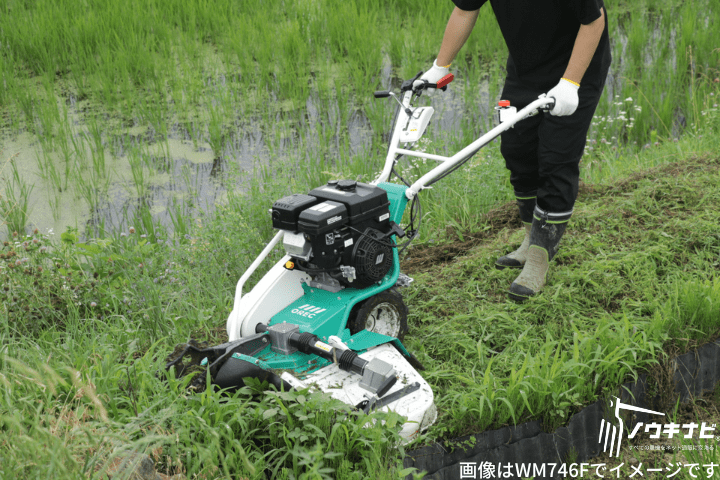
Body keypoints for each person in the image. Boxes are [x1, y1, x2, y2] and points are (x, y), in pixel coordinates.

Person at [417, 0, 611, 302]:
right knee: (516, 150)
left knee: (556, 158)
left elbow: (594, 21)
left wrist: (571, 83)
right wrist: (440, 66)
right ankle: (530, 239)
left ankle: (539, 257)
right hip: (525, 70)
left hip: (577, 70)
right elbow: (465, 9)